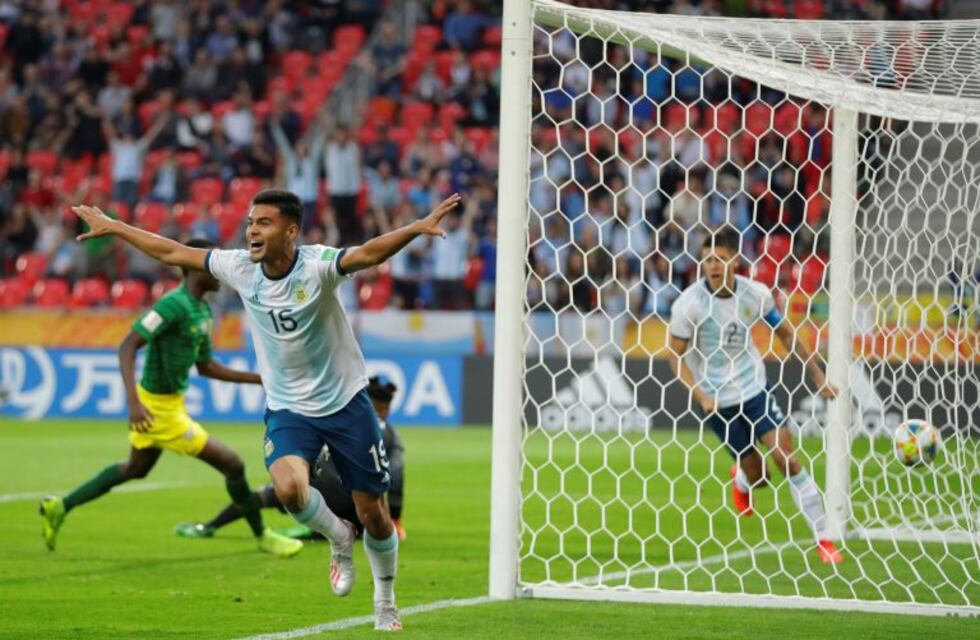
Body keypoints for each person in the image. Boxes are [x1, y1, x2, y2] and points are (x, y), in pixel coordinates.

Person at [69, 189, 462, 631]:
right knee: (290, 489)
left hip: (346, 403)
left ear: (290, 231)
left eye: (264, 223)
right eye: (250, 222)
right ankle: (337, 536)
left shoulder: (316, 267)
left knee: (375, 514)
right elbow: (171, 251)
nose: (251, 230)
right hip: (289, 407)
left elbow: (369, 253)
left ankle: (385, 599)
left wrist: (415, 228)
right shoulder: (239, 268)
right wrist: (116, 226)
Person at [38, 239, 302, 559]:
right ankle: (263, 536)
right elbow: (127, 346)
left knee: (135, 468)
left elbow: (206, 367)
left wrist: (259, 379)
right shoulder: (173, 305)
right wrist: (133, 403)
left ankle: (60, 506)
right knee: (233, 464)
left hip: (171, 403)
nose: (220, 273)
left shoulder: (202, 310)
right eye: (212, 266)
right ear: (193, 267)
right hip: (157, 409)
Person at [667, 227, 844, 565]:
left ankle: (824, 539)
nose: (713, 266)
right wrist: (700, 394)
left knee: (785, 457)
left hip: (754, 388)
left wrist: (819, 377)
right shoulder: (689, 304)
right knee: (761, 476)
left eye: (719, 258)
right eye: (707, 260)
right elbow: (674, 354)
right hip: (717, 401)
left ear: (735, 260)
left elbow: (786, 335)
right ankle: (743, 477)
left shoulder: (756, 295)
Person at [174, 375, 407, 541]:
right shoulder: (388, 434)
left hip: (316, 492)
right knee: (370, 505)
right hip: (356, 507)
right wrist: (394, 519)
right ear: (387, 407)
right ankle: (337, 532)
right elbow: (396, 475)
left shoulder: (337, 416)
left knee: (265, 495)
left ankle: (209, 526)